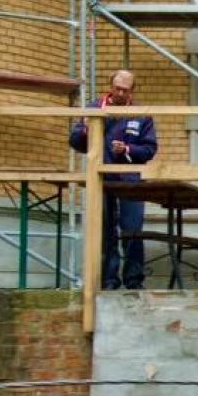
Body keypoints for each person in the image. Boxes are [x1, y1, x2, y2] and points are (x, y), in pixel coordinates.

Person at [69, 69, 157, 290]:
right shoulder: (93, 108)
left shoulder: (141, 114)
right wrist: (85, 132)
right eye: (116, 88)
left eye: (125, 90)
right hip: (101, 179)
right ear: (110, 86)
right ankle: (108, 280)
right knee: (105, 230)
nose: (119, 93)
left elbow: (149, 149)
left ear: (131, 91)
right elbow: (75, 142)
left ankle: (134, 280)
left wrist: (128, 148)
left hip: (130, 180)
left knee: (133, 230)